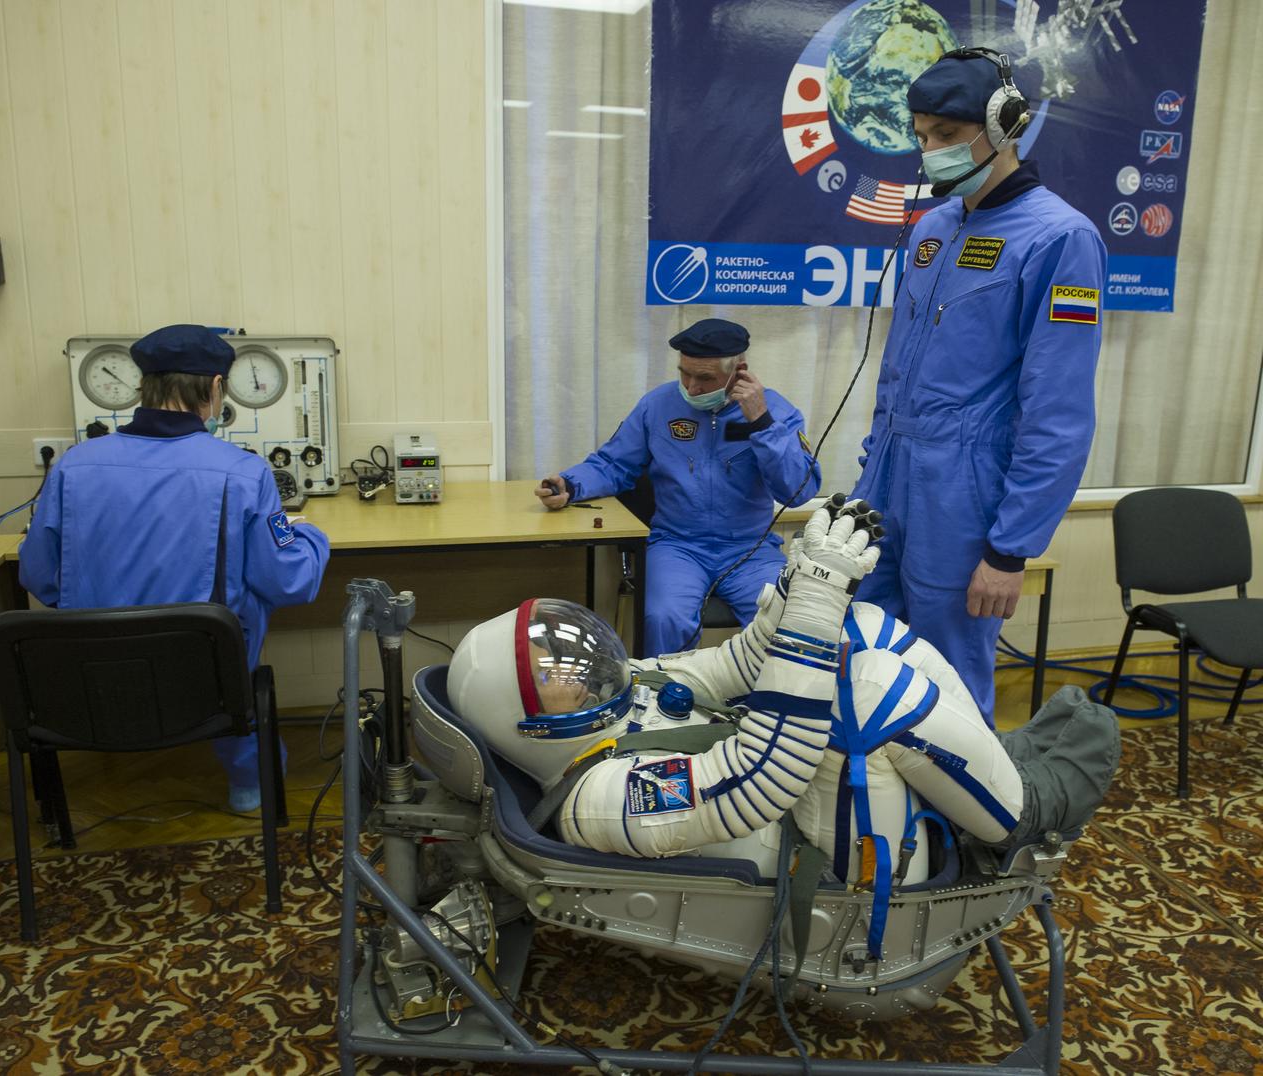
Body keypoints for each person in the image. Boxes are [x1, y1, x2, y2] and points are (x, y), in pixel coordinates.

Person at [445, 498, 1119, 950]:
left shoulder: (613, 701)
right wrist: (815, 601)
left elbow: (731, 665)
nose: (579, 673)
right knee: (862, 691)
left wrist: (800, 585)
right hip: (831, 870)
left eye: (565, 654)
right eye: (554, 678)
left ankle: (989, 767)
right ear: (524, 726)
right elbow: (756, 777)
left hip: (814, 809)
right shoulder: (596, 802)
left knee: (860, 628)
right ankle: (1021, 809)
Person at [850, 48, 1108, 726]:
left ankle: (965, 834)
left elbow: (1058, 410)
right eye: (920, 135)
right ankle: (882, 822)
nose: (927, 151)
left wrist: (1009, 548)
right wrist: (867, 481)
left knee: (948, 692)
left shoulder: (1060, 239)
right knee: (867, 661)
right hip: (889, 488)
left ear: (1003, 127)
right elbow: (897, 373)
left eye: (944, 135)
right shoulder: (933, 229)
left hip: (963, 505)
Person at [19, 324, 331, 812]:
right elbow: (288, 580)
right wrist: (310, 536)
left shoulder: (73, 467)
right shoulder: (243, 472)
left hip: (91, 688)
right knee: (234, 618)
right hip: (205, 690)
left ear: (143, 386)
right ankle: (250, 786)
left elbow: (38, 575)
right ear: (213, 389)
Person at [535, 317, 821, 657]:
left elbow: (797, 492)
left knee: (787, 621)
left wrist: (761, 424)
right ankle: (668, 702)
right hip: (678, 545)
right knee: (663, 617)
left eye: (705, 377)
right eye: (684, 373)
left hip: (750, 549)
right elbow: (614, 464)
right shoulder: (658, 406)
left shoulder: (775, 412)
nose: (692, 387)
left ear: (739, 371)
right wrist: (570, 484)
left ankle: (766, 705)